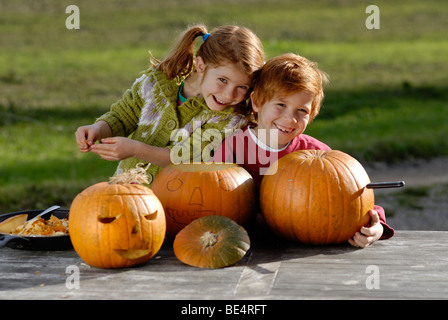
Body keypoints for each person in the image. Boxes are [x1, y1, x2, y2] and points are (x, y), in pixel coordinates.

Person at [212, 53, 394, 248]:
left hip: (303, 249)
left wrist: (377, 226)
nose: (290, 118)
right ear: (256, 102)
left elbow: (349, 200)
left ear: (313, 113)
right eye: (281, 105)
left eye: (302, 110)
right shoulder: (233, 149)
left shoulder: (318, 155)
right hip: (248, 247)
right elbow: (213, 200)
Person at [75, 24, 265, 185]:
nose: (229, 94)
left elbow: (185, 157)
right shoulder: (156, 83)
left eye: (242, 87)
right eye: (223, 80)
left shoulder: (229, 120)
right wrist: (98, 129)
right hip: (124, 192)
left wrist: (135, 149)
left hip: (174, 206)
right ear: (201, 66)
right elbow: (123, 116)